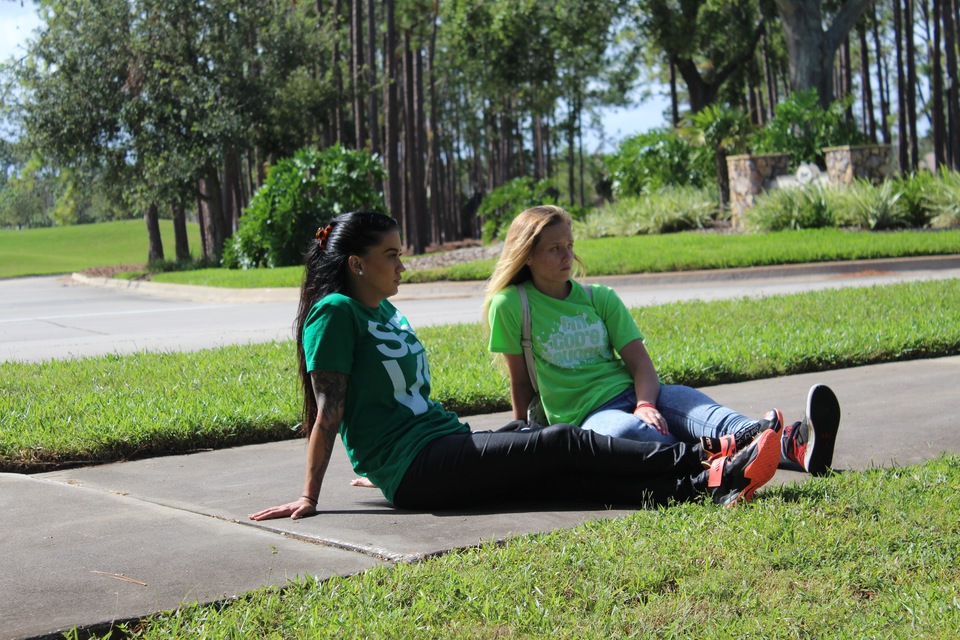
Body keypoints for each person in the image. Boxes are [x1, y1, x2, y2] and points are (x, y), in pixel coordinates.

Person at [248, 211, 784, 522]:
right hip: (419, 468)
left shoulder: (381, 309)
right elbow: (329, 412)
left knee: (562, 473)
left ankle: (706, 484)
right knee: (561, 442)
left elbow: (387, 401)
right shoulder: (335, 314)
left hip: (434, 450)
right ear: (356, 264)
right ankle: (711, 464)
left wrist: (372, 466)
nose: (402, 265)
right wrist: (311, 494)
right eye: (392, 255)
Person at [484, 205, 841, 476]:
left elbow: (640, 364)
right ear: (527, 255)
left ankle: (791, 445)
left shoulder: (599, 297)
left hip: (640, 395)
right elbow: (520, 382)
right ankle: (735, 458)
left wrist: (645, 403)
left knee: (709, 416)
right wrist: (522, 441)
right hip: (587, 416)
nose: (567, 257)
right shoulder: (513, 305)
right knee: (629, 434)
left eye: (570, 245)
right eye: (554, 249)